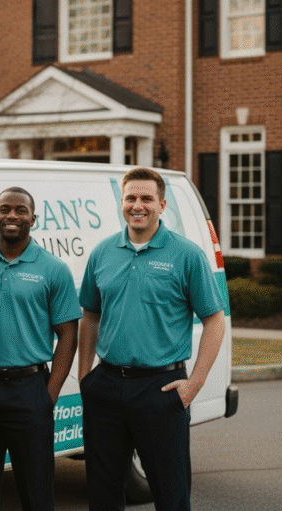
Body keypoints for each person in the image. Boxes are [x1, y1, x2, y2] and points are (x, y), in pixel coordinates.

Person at [77, 166, 226, 511]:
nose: (137, 205)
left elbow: (215, 320)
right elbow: (90, 316)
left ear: (162, 204)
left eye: (146, 198)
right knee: (103, 494)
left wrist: (195, 383)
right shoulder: (103, 253)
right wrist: (86, 377)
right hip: (107, 387)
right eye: (131, 197)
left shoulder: (187, 255)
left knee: (171, 495)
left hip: (162, 388)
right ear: (121, 202)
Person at [0, 186, 80, 511]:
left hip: (30, 389)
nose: (12, 216)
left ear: (33, 218)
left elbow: (68, 334)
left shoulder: (53, 269)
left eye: (20, 210)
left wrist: (49, 394)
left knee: (35, 486)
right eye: (5, 209)